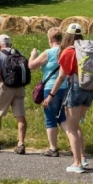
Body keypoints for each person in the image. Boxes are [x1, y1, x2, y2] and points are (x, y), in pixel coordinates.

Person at [44, 23, 93, 173]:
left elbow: (61, 77)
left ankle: (77, 163)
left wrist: (50, 96)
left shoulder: (68, 52)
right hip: (89, 89)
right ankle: (82, 157)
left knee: (71, 128)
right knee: (76, 125)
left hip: (75, 88)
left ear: (68, 36)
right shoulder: (88, 49)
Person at [28, 27, 68, 157]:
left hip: (50, 88)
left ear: (50, 39)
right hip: (65, 87)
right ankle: (76, 142)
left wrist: (32, 55)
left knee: (50, 118)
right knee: (63, 117)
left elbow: (32, 66)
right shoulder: (65, 51)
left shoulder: (49, 52)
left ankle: (53, 148)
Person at [0, 34, 27, 154]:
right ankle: (20, 144)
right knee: (20, 116)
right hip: (19, 88)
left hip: (5, 88)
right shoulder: (18, 53)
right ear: (11, 44)